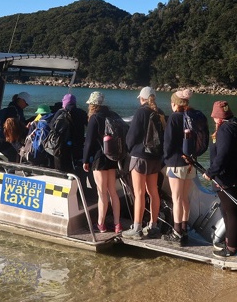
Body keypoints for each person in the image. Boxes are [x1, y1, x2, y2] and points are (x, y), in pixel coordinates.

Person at [202, 100, 237, 257]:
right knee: (227, 210)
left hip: (228, 178)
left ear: (217, 116)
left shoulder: (225, 130)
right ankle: (229, 242)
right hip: (234, 175)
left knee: (231, 212)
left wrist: (211, 172)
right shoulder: (235, 125)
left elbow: (223, 155)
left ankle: (232, 248)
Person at [122, 87, 166, 240]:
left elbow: (132, 136)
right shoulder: (159, 112)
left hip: (140, 157)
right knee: (153, 192)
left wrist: (127, 148)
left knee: (139, 193)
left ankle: (137, 228)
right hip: (155, 158)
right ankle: (153, 226)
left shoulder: (141, 112)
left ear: (142, 98)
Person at [82, 91, 122, 233]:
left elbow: (89, 142)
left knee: (102, 193)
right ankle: (117, 225)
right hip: (112, 158)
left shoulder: (95, 118)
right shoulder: (113, 115)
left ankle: (101, 224)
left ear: (92, 104)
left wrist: (85, 159)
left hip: (99, 159)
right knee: (113, 192)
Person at [162, 88, 195, 246]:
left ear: (175, 104)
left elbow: (168, 143)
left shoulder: (174, 118)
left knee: (176, 199)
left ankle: (176, 233)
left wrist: (166, 158)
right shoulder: (191, 117)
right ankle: (184, 229)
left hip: (176, 162)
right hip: (190, 163)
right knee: (185, 198)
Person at [51, 93, 89, 173]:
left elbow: (51, 126)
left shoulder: (60, 112)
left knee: (61, 171)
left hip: (61, 146)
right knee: (76, 169)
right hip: (78, 145)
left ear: (64, 102)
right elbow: (88, 125)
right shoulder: (81, 112)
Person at [0, 92, 30, 161]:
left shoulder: (14, 109)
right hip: (10, 138)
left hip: (5, 137)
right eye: (26, 103)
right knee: (13, 155)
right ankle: (12, 169)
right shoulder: (14, 111)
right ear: (21, 100)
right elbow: (12, 128)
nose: (27, 105)